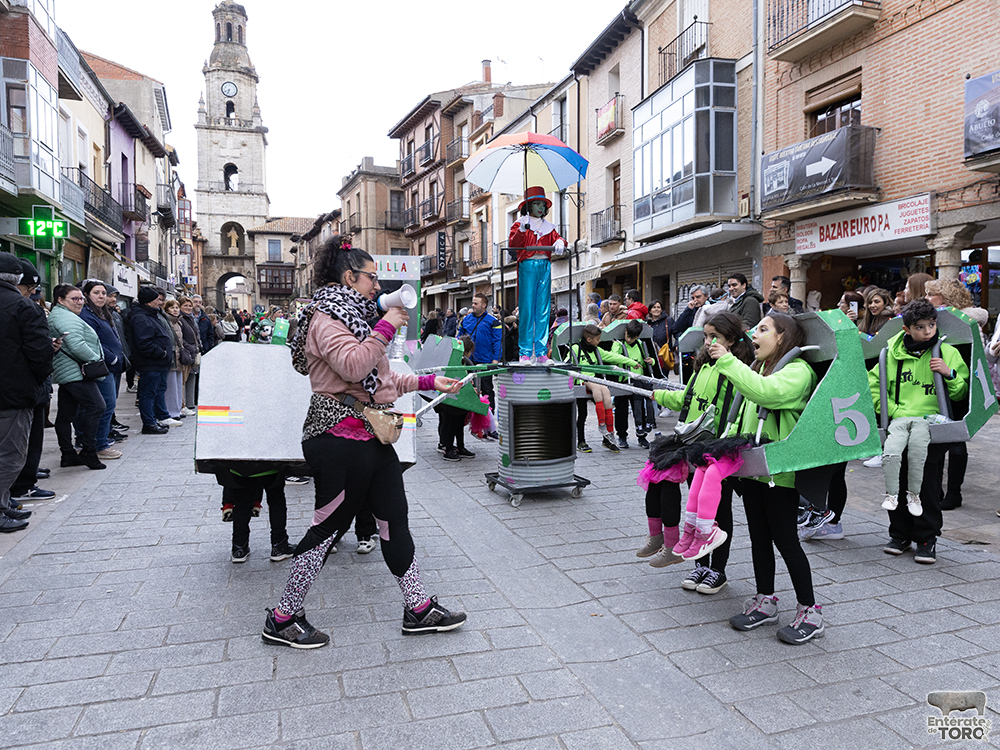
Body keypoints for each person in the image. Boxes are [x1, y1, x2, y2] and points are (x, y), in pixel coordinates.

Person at [262, 235, 465, 649]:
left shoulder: (357, 318)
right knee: (329, 528)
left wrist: (427, 380)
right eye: (372, 277)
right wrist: (388, 323)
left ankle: (418, 608)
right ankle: (283, 617)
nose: (378, 285)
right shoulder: (326, 318)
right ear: (349, 276)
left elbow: (381, 379)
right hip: (337, 438)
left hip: (369, 437)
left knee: (394, 517)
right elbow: (355, 365)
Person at [709, 313, 822, 644]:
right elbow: (743, 414)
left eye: (762, 329)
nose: (753, 333)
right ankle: (766, 600)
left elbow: (767, 394)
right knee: (759, 536)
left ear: (783, 337)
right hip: (754, 468)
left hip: (780, 473)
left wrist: (729, 362)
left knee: (786, 540)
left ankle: (811, 610)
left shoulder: (798, 371)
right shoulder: (760, 367)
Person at [640, 312, 753, 586]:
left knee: (719, 509)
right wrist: (658, 394)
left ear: (731, 338)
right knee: (697, 504)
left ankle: (718, 570)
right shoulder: (702, 365)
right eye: (706, 336)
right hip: (693, 443)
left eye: (715, 337)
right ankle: (699, 563)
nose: (708, 342)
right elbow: (687, 399)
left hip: (720, 445)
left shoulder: (737, 366)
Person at [871, 299, 968, 564]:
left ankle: (926, 538)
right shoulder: (890, 353)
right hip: (900, 425)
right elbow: (874, 386)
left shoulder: (946, 352)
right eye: (920, 327)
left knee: (927, 484)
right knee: (897, 481)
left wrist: (949, 374)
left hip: (932, 428)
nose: (927, 332)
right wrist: (893, 411)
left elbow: (961, 393)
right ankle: (899, 534)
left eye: (932, 325)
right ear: (906, 329)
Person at [0, 253, 52, 531]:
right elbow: (40, 353)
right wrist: (37, 380)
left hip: (11, 390)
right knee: (10, 454)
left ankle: (6, 502)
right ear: (17, 279)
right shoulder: (23, 307)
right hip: (12, 394)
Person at [48, 285, 108, 471]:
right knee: (97, 407)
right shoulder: (64, 317)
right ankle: (89, 451)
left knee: (66, 414)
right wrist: (96, 359)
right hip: (76, 372)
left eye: (81, 298)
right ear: (60, 300)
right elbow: (76, 344)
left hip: (69, 371)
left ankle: (68, 454)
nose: (80, 302)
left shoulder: (62, 315)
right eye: (75, 299)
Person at [508, 186, 567, 363]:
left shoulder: (549, 227)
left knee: (543, 309)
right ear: (529, 205)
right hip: (527, 265)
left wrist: (559, 241)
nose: (540, 207)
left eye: (542, 204)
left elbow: (559, 238)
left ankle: (541, 352)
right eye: (536, 203)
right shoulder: (520, 224)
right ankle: (525, 352)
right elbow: (513, 245)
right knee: (526, 309)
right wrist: (522, 231)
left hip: (545, 265)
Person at [570, 324, 639, 453]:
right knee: (583, 413)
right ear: (589, 339)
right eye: (598, 339)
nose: (600, 341)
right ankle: (581, 441)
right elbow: (567, 363)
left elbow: (613, 357)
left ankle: (608, 439)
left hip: (596, 382)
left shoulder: (597, 350)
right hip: (581, 383)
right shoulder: (575, 348)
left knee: (607, 397)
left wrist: (632, 363)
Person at [79, 281, 124, 461]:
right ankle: (100, 445)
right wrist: (111, 357)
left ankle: (100, 441)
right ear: (87, 295)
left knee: (108, 405)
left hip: (110, 366)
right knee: (105, 405)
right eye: (96, 293)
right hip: (101, 367)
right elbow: (92, 341)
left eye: (103, 293)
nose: (101, 296)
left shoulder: (102, 313)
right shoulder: (87, 315)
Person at [216, 466, 296, 563]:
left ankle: (239, 548)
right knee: (276, 502)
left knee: (242, 504)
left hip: (240, 465)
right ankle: (279, 546)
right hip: (271, 464)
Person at [128, 287, 175, 434]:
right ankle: (149, 423)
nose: (160, 302)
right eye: (157, 300)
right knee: (147, 394)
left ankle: (154, 420)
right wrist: (161, 353)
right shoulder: (141, 317)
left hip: (157, 363)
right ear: (149, 302)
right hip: (150, 363)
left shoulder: (151, 314)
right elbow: (144, 342)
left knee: (155, 391)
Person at [612, 320, 657, 449]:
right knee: (621, 409)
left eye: (632, 337)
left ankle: (641, 436)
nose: (629, 339)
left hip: (638, 382)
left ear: (637, 336)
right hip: (623, 382)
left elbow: (650, 360)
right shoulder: (618, 345)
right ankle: (622, 436)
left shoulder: (640, 345)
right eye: (627, 335)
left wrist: (651, 361)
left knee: (639, 408)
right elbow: (613, 357)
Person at [458, 293, 502, 413]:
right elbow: (459, 337)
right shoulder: (466, 320)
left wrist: (495, 360)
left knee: (487, 388)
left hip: (485, 361)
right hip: (468, 360)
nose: (473, 305)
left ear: (484, 305)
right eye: (472, 303)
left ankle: (489, 414)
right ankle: (471, 414)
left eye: (475, 303)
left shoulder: (493, 322)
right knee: (469, 388)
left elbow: (498, 341)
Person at [435, 335, 477, 462]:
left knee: (458, 423)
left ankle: (460, 447)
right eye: (470, 352)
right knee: (450, 424)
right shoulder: (455, 361)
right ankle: (448, 449)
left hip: (458, 398)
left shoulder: (462, 361)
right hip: (451, 398)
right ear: (465, 351)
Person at [162, 300, 189, 421]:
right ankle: (172, 411)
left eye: (177, 307)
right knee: (171, 386)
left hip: (179, 358)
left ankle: (177, 409)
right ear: (167, 309)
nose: (175, 310)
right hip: (172, 358)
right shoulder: (168, 322)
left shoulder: (178, 323)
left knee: (178, 384)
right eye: (172, 307)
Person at [179, 298, 203, 415]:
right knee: (183, 379)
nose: (188, 308)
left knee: (192, 377)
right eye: (185, 306)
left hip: (193, 352)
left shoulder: (190, 319)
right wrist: (191, 348)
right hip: (186, 353)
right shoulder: (180, 319)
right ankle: (182, 405)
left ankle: (189, 403)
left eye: (189, 306)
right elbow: (180, 337)